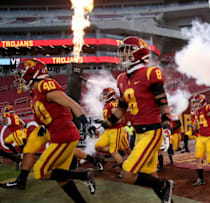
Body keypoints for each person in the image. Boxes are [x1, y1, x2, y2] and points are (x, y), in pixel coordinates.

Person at [96, 36, 174, 203]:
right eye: (122, 52)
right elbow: (121, 109)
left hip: (152, 132)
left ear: (139, 53)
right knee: (151, 175)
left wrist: (167, 127)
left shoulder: (150, 73)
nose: (122, 55)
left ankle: (165, 186)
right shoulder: (122, 79)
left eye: (127, 51)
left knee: (128, 173)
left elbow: (163, 103)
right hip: (138, 134)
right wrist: (104, 125)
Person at [10, 58, 96, 202]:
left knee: (40, 172)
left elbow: (71, 103)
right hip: (59, 135)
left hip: (64, 135)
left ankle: (84, 175)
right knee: (61, 177)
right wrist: (44, 125)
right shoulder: (35, 92)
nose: (20, 78)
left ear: (32, 73)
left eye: (21, 73)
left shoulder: (45, 85)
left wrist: (84, 120)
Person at [95, 87, 130, 178]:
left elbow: (117, 119)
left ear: (110, 95)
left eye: (105, 94)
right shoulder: (108, 104)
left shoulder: (113, 103)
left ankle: (125, 171)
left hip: (115, 130)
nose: (103, 96)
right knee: (98, 146)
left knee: (116, 151)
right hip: (108, 130)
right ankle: (117, 150)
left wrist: (104, 123)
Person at [0, 105, 26, 169]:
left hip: (15, 133)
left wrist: (3, 122)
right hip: (15, 132)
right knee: (6, 142)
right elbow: (23, 123)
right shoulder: (15, 115)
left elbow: (8, 123)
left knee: (21, 146)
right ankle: (16, 154)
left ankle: (21, 160)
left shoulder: (8, 115)